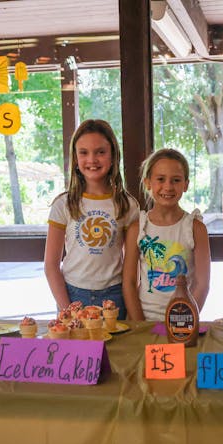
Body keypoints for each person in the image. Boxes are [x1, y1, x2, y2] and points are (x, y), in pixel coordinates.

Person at [44, 119, 139, 320]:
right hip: (72, 294)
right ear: (75, 158)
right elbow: (51, 265)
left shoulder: (128, 205)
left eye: (100, 152)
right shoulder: (63, 204)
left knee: (114, 351)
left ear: (113, 155)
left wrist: (132, 308)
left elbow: (133, 267)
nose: (92, 159)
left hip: (115, 295)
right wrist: (66, 309)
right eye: (84, 152)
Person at [122, 148, 211, 321]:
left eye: (176, 180)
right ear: (148, 183)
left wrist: (185, 319)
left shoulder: (196, 228)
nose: (168, 187)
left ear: (186, 184)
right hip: (144, 321)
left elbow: (202, 285)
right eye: (160, 179)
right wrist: (140, 325)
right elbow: (130, 283)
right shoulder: (137, 228)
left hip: (183, 322)